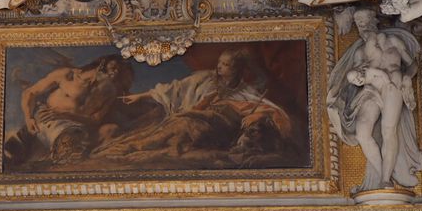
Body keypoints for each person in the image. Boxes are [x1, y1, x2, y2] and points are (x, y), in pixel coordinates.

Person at [94, 48, 293, 162]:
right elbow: (176, 88)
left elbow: (271, 111)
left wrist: (256, 115)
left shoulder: (245, 91)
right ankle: (127, 147)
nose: (219, 66)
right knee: (173, 125)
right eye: (220, 62)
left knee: (181, 128)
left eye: (225, 64)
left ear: (236, 69)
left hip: (219, 129)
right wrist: (142, 95)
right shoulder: (206, 79)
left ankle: (133, 149)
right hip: (197, 119)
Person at [326, 9, 422, 192]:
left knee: (388, 130)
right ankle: (382, 175)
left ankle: (385, 179)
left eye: (364, 22)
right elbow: (355, 77)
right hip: (371, 90)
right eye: (359, 25)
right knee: (362, 132)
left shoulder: (394, 42)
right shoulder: (360, 52)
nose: (362, 28)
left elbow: (412, 65)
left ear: (373, 21)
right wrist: (355, 77)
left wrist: (407, 77)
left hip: (393, 85)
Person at [6, 54, 133, 164]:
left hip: (79, 126)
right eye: (113, 68)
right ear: (101, 65)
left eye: (119, 72)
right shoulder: (67, 75)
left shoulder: (109, 91)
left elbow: (95, 120)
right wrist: (28, 118)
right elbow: (30, 93)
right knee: (14, 151)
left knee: (110, 130)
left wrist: (66, 115)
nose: (115, 74)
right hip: (50, 119)